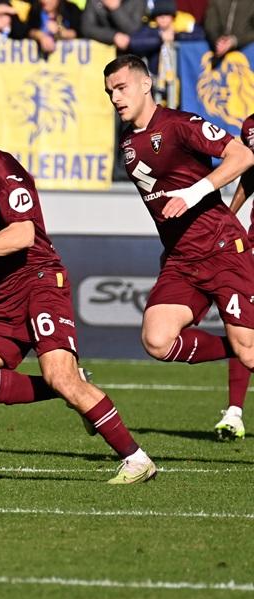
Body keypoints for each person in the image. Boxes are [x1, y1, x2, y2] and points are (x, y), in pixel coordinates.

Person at [0, 91, 156, 484]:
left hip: (40, 283)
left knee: (63, 377)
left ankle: (136, 458)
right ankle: (71, 386)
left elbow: (24, 234)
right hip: (3, 296)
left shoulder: (3, 170)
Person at [103, 55, 254, 439]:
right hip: (181, 259)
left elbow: (243, 155)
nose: (115, 98)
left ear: (144, 83)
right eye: (109, 92)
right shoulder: (127, 142)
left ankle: (243, 346)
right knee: (157, 339)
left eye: (121, 88)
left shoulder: (180, 124)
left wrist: (195, 192)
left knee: (249, 350)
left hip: (222, 249)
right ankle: (237, 344)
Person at [219, 112, 254, 440]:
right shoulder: (250, 126)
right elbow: (250, 175)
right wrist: (229, 216)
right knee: (242, 322)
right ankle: (234, 412)